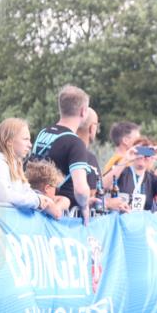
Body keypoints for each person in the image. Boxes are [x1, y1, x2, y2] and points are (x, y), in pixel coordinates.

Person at [0, 118, 65, 219]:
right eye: (25, 139)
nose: (30, 145)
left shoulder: (15, 166)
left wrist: (46, 200)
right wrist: (39, 201)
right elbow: (5, 197)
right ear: (9, 141)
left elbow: (26, 193)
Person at [31, 85, 95, 221]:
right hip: (59, 216)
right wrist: (84, 207)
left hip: (35, 205)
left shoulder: (43, 132)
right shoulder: (75, 143)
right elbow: (81, 189)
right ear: (83, 111)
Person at [112, 137, 157, 212]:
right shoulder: (121, 172)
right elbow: (105, 185)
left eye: (147, 153)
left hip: (143, 222)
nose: (142, 156)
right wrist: (125, 159)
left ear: (152, 157)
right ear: (132, 151)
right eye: (139, 151)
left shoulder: (152, 179)